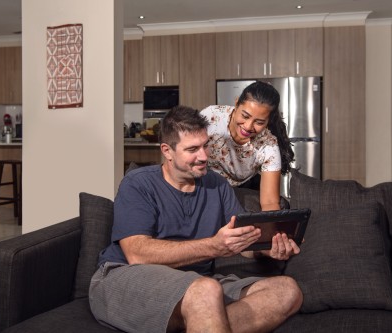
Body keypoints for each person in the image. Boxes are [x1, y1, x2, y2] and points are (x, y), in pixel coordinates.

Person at [89, 105, 302, 333]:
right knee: (206, 291)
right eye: (192, 149)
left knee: (287, 291)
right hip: (124, 277)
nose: (204, 156)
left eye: (205, 145)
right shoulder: (138, 184)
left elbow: (242, 238)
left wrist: (267, 247)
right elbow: (137, 254)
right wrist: (213, 246)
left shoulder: (216, 185)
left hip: (196, 283)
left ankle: (201, 322)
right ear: (167, 151)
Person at [201, 81, 294, 211]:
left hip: (242, 186)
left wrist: (272, 229)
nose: (248, 126)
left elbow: (270, 202)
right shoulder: (211, 117)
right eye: (245, 116)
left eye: (259, 122)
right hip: (206, 181)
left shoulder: (269, 145)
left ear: (268, 121)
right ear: (236, 103)